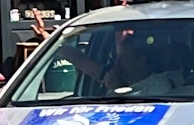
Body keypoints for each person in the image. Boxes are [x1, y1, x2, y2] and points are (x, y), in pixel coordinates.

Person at [31, 8, 177, 95]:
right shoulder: (116, 75)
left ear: (141, 59)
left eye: (124, 57)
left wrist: (114, 91)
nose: (118, 62)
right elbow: (79, 60)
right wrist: (46, 36)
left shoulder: (159, 87)